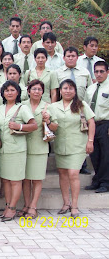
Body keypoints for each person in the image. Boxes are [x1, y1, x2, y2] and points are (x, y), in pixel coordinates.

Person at [48, 79, 95, 218]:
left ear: (75, 91)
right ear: (60, 91)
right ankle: (66, 203)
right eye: (65, 88)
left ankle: (74, 205)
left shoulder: (81, 105)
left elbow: (91, 121)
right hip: (60, 144)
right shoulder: (53, 106)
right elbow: (50, 125)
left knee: (73, 174)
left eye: (71, 88)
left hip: (77, 144)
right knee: (62, 174)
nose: (68, 91)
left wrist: (90, 141)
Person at [0, 80, 37, 221]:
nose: (9, 93)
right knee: (6, 180)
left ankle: (13, 208)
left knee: (15, 180)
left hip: (17, 149)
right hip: (3, 149)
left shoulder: (22, 107)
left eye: (12, 90)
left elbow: (33, 125)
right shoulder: (0, 108)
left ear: (18, 92)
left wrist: (19, 126)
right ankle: (7, 205)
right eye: (7, 90)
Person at [19, 80, 54, 218]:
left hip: (40, 146)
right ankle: (26, 205)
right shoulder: (22, 106)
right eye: (34, 89)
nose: (36, 92)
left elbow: (56, 127)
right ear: (28, 91)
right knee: (26, 179)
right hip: (24, 145)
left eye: (39, 89)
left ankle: (33, 206)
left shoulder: (48, 107)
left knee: (37, 178)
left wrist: (49, 121)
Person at [84, 61, 109, 193]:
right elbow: (86, 108)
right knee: (95, 154)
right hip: (93, 125)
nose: (99, 74)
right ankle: (97, 180)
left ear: (107, 72)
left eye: (102, 71)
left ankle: (105, 182)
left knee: (106, 155)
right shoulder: (91, 88)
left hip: (106, 124)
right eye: (97, 71)